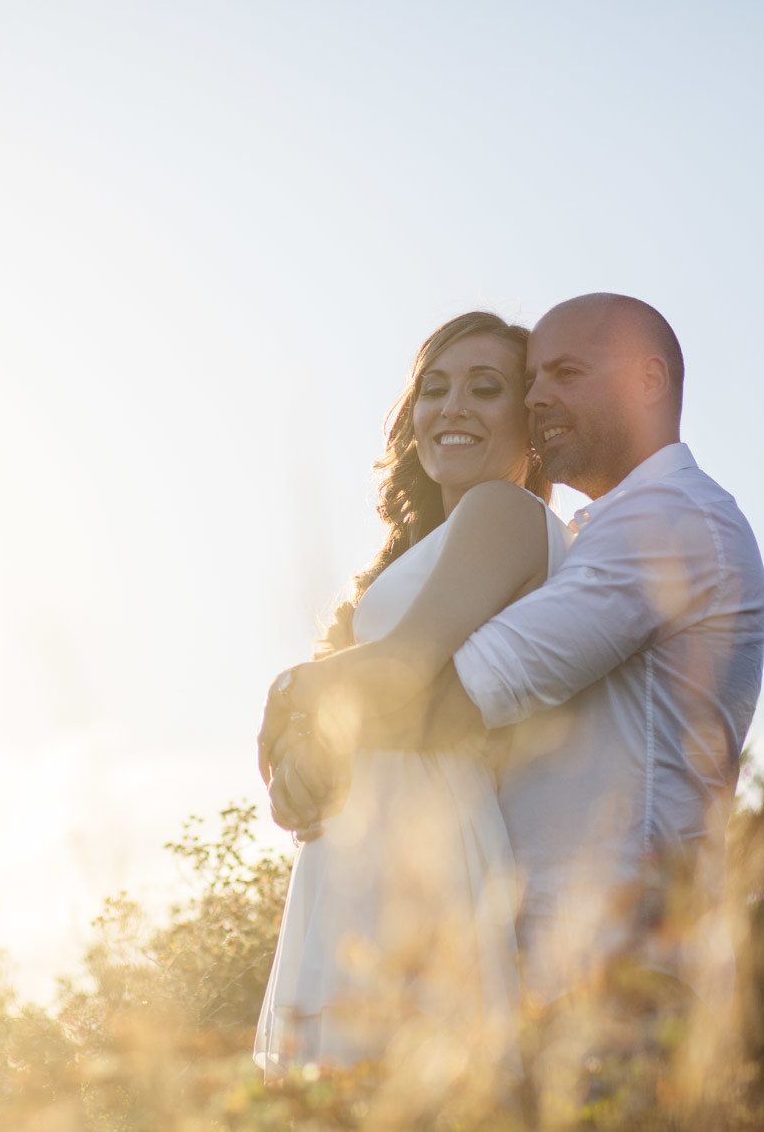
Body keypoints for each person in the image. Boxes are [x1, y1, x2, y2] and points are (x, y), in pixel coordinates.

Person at [264, 294, 764, 1065]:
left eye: (560, 374)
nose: (539, 399)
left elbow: (450, 700)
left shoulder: (667, 523)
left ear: (647, 381)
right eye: (532, 381)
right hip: (545, 956)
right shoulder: (588, 537)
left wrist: (297, 703)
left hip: (622, 966)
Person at [252, 311, 571, 1087]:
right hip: (364, 831)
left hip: (418, 835)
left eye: (484, 388)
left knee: (396, 1077)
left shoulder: (508, 509)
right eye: (433, 389)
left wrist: (285, 688)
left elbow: (402, 668)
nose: (451, 407)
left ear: (529, 423)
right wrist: (297, 761)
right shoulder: (432, 542)